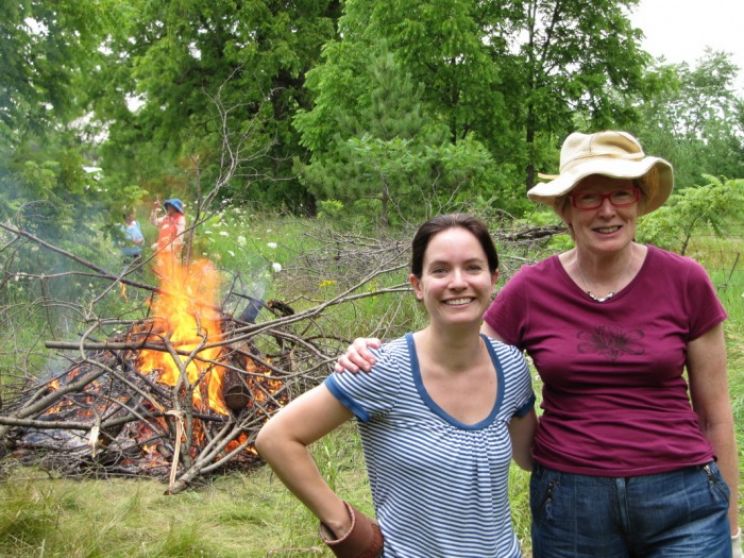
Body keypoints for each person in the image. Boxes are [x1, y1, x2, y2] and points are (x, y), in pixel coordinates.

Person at [337, 131, 741, 558]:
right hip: (572, 502)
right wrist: (381, 355)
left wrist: (731, 529)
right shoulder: (532, 289)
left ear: (639, 200)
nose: (607, 210)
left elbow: (715, 416)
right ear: (565, 209)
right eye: (588, 197)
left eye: (620, 193)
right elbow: (460, 353)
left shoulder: (685, 280)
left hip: (683, 497)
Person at [256, 214, 537, 557]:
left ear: (493, 279)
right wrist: (344, 526)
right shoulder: (382, 367)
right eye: (440, 270)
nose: (458, 282)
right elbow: (277, 438)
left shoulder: (511, 366)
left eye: (473, 268)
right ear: (417, 285)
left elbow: (531, 457)